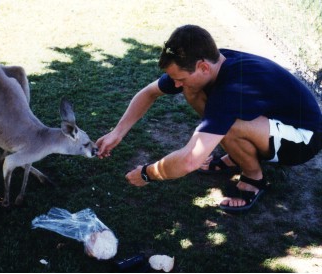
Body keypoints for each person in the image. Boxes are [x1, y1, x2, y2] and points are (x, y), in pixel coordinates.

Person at [95, 24, 322, 213]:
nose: (174, 84)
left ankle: (254, 179)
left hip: (303, 140)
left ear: (203, 66)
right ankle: (238, 155)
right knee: (195, 93)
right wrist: (117, 132)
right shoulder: (213, 62)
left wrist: (147, 173)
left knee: (228, 124)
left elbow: (190, 161)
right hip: (275, 123)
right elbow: (149, 92)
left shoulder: (231, 89)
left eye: (180, 77)